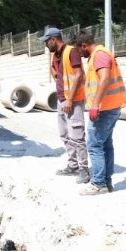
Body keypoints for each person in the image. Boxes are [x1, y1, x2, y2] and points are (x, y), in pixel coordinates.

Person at [74, 30, 126, 195]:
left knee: (95, 145)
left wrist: (95, 105)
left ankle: (99, 184)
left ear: (84, 45)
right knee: (105, 144)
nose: (79, 54)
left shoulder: (99, 55)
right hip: (109, 107)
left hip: (104, 108)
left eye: (78, 50)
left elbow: (104, 79)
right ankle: (106, 181)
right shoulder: (100, 54)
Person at [39, 27, 89, 182]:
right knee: (64, 134)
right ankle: (73, 165)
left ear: (54, 39)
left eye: (47, 42)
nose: (46, 45)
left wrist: (70, 99)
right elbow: (55, 72)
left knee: (77, 136)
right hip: (62, 100)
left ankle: (84, 170)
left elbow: (79, 75)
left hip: (73, 101)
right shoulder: (56, 56)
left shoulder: (71, 52)